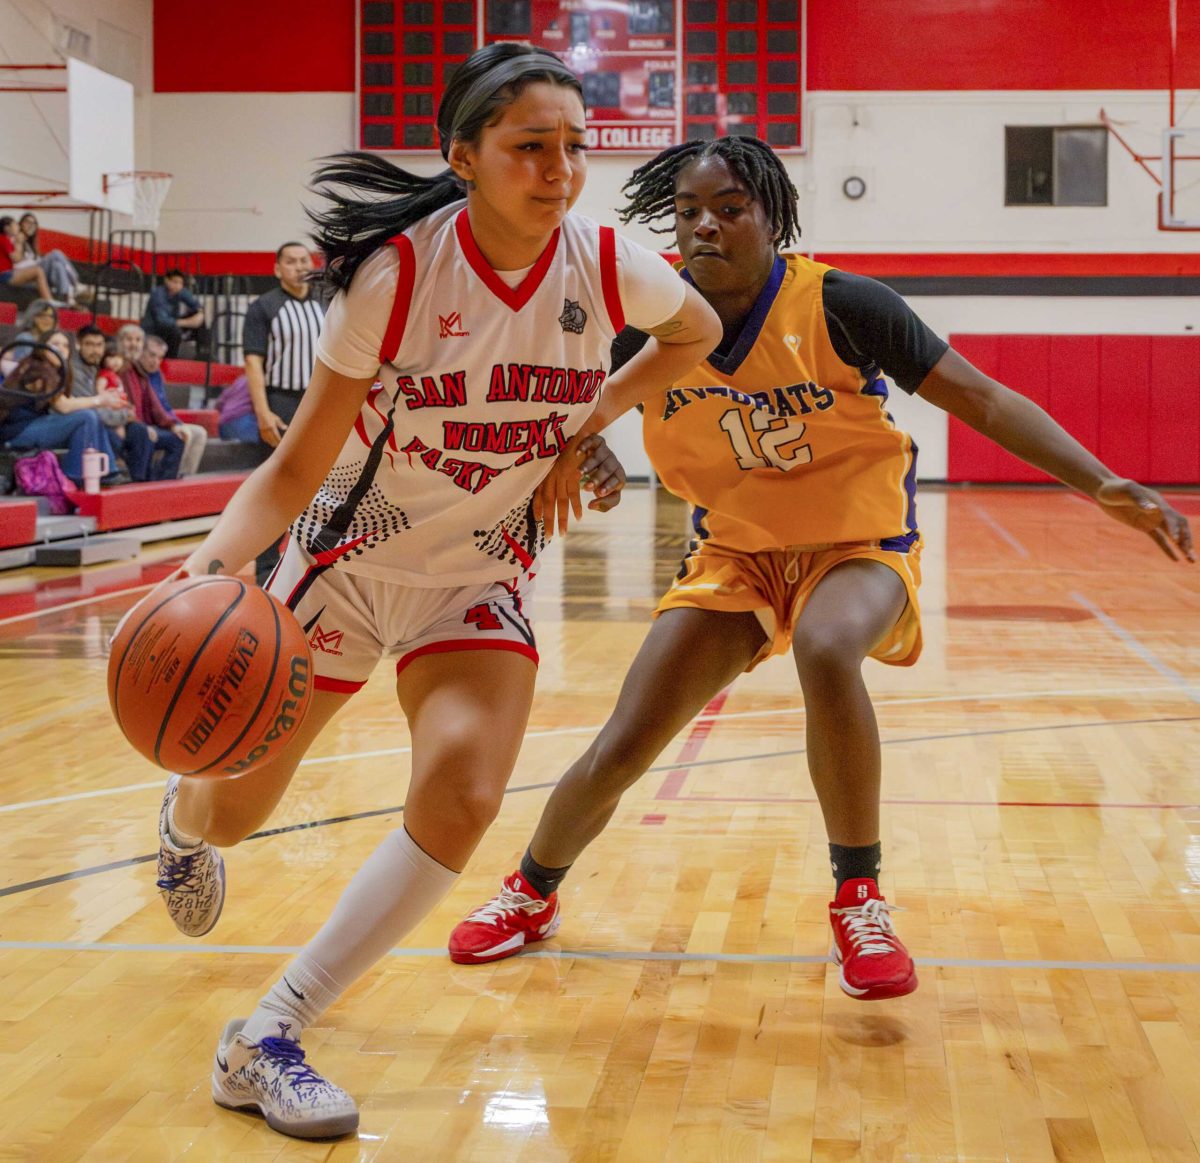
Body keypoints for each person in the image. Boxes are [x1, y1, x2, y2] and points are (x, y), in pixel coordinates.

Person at [450, 136, 1196, 1002]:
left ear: (773, 218)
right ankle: (533, 889)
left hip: (859, 544)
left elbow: (983, 396)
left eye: (730, 209)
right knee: (626, 737)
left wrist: (1100, 481)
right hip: (736, 552)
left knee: (828, 645)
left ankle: (858, 896)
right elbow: (574, 412)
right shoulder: (648, 313)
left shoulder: (843, 303)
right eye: (689, 211)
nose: (705, 227)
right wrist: (594, 458)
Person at [145, 43, 721, 1141]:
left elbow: (694, 333)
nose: (558, 171)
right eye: (529, 149)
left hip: (476, 579)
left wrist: (587, 424)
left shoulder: (606, 265)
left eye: (572, 149)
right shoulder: (400, 275)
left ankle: (267, 1032)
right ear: (465, 157)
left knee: (462, 795)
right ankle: (180, 816)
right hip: (343, 575)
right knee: (235, 804)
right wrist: (207, 569)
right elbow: (295, 465)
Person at [241, 241, 326, 581]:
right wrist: (263, 412)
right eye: (290, 262)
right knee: (277, 487)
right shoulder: (264, 307)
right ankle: (263, 570)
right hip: (282, 402)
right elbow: (252, 361)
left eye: (303, 260)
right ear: (277, 269)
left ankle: (318, 565)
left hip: (320, 401)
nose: (298, 266)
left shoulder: (327, 303)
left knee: (323, 486)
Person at [0, 329, 126, 486]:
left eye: (65, 345)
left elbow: (70, 402)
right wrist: (100, 399)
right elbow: (63, 406)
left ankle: (106, 472)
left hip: (33, 425)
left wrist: (107, 401)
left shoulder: (55, 370)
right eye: (55, 343)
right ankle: (75, 476)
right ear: (42, 347)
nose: (60, 348)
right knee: (86, 417)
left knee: (89, 416)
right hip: (17, 431)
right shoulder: (37, 368)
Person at [71, 325, 152, 482]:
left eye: (99, 345)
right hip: (87, 419)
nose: (95, 350)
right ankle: (111, 475)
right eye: (89, 344)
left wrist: (124, 413)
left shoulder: (100, 367)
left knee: (139, 431)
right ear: (79, 344)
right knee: (110, 434)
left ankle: (138, 482)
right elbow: (91, 408)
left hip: (107, 416)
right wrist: (123, 416)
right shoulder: (75, 371)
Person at [116, 324, 184, 480]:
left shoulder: (138, 370)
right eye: (129, 339)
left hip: (140, 425)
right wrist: (145, 427)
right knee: (141, 432)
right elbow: (120, 404)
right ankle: (141, 481)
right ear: (119, 342)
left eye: (138, 340)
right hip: (122, 424)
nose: (133, 344)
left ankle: (162, 483)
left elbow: (154, 404)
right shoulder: (114, 365)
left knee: (176, 440)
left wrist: (172, 425)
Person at [138, 334, 208, 475]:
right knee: (184, 434)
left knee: (200, 433)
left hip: (163, 422)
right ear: (141, 352)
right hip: (148, 424)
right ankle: (171, 477)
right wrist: (173, 425)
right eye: (152, 355)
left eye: (160, 358)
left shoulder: (156, 374)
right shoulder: (136, 373)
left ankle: (185, 476)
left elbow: (164, 405)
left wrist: (176, 422)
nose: (155, 361)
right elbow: (152, 409)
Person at [17, 213, 86, 306]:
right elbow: (18, 262)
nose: (30, 226)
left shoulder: (32, 246)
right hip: (25, 276)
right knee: (56, 253)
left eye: (34, 224)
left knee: (57, 266)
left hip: (39, 276)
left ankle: (66, 297)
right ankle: (75, 283)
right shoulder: (17, 238)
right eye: (27, 222)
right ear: (20, 224)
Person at [141, 268, 207, 358]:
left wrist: (200, 313)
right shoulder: (158, 294)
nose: (178, 285)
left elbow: (195, 304)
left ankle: (203, 351)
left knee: (197, 315)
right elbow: (162, 321)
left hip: (172, 324)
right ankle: (171, 358)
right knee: (175, 330)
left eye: (181, 283)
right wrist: (190, 322)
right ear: (167, 280)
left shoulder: (180, 292)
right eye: (175, 282)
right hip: (155, 330)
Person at [0, 216, 53, 303]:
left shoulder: (5, 240)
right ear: (7, 228)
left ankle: (48, 299)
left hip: (7, 273)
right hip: (5, 275)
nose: (18, 227)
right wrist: (19, 243)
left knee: (37, 274)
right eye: (15, 225)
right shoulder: (4, 240)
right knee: (38, 271)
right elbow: (16, 258)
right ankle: (49, 301)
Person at [8, 299, 58, 364]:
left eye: (51, 316)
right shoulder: (25, 339)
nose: (47, 320)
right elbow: (24, 367)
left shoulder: (56, 340)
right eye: (42, 316)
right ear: (32, 317)